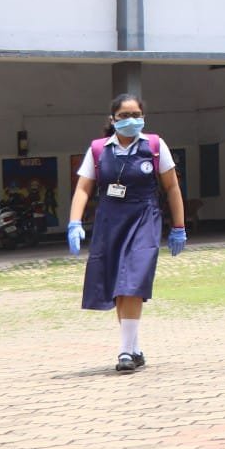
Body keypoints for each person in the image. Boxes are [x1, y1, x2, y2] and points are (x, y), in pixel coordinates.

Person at [66, 94, 186, 373]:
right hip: (109, 221)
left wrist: (178, 227)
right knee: (118, 285)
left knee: (132, 280)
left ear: (143, 117)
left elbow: (172, 187)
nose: (130, 121)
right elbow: (84, 188)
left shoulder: (155, 146)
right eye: (123, 116)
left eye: (136, 115)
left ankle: (124, 352)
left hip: (145, 217)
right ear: (113, 120)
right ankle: (133, 347)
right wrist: (74, 223)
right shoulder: (98, 150)